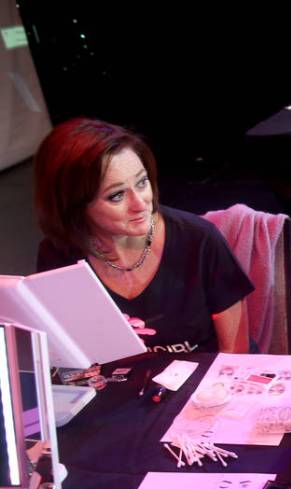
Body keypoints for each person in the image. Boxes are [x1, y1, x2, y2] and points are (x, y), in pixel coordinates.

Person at [33, 118, 254, 354]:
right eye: (116, 195)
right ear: (74, 206)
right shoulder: (58, 255)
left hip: (208, 384)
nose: (140, 203)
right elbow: (67, 356)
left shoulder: (199, 240)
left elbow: (235, 356)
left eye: (142, 182)